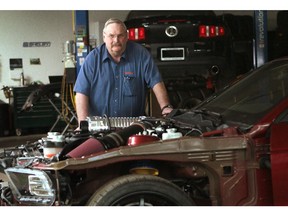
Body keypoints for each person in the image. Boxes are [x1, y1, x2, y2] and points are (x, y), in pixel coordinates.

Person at [73, 18, 173, 126]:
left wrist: (165, 107)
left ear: (127, 36)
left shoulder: (141, 55)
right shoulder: (92, 59)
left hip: (134, 126)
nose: (116, 40)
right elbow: (81, 93)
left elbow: (156, 81)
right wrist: (82, 124)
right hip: (99, 127)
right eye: (111, 36)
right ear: (104, 37)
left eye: (120, 35)